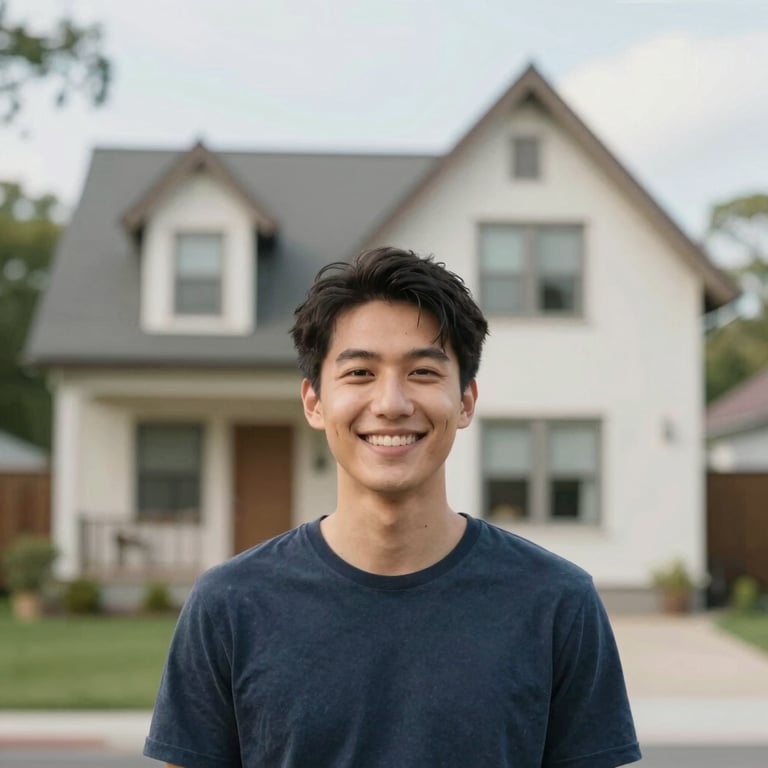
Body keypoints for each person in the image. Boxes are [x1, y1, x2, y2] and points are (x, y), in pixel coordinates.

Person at [144, 247, 641, 768]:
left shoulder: (557, 602)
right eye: (359, 373)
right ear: (314, 402)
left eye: (423, 373)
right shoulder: (229, 605)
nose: (391, 403)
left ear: (466, 401)